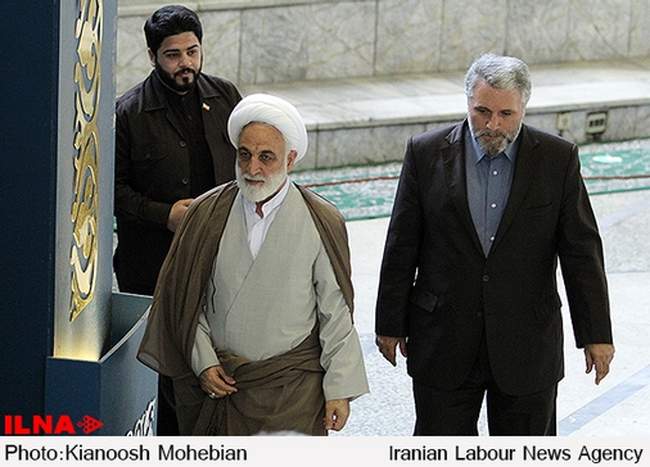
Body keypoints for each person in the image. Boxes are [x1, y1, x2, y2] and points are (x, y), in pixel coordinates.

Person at [375, 53, 614, 436]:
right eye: (482, 111)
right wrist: (390, 323)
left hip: (527, 345)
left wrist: (596, 334)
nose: (493, 125)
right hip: (444, 341)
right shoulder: (424, 153)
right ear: (468, 102)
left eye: (506, 114)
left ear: (524, 108)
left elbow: (581, 253)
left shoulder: (558, 159)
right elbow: (402, 243)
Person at [137, 93, 369, 435]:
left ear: (290, 159)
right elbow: (182, 300)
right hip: (219, 384)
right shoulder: (205, 213)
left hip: (291, 388)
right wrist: (203, 362)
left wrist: (339, 390)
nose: (252, 168)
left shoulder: (321, 219)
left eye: (266, 157)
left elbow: (335, 313)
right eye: (244, 154)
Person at [113, 5, 242, 434]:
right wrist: (164, 214)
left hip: (219, 258)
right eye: (173, 55)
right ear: (152, 56)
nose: (185, 62)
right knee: (166, 371)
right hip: (153, 265)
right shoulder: (128, 113)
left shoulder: (225, 97)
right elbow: (111, 191)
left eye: (192, 51)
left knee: (217, 360)